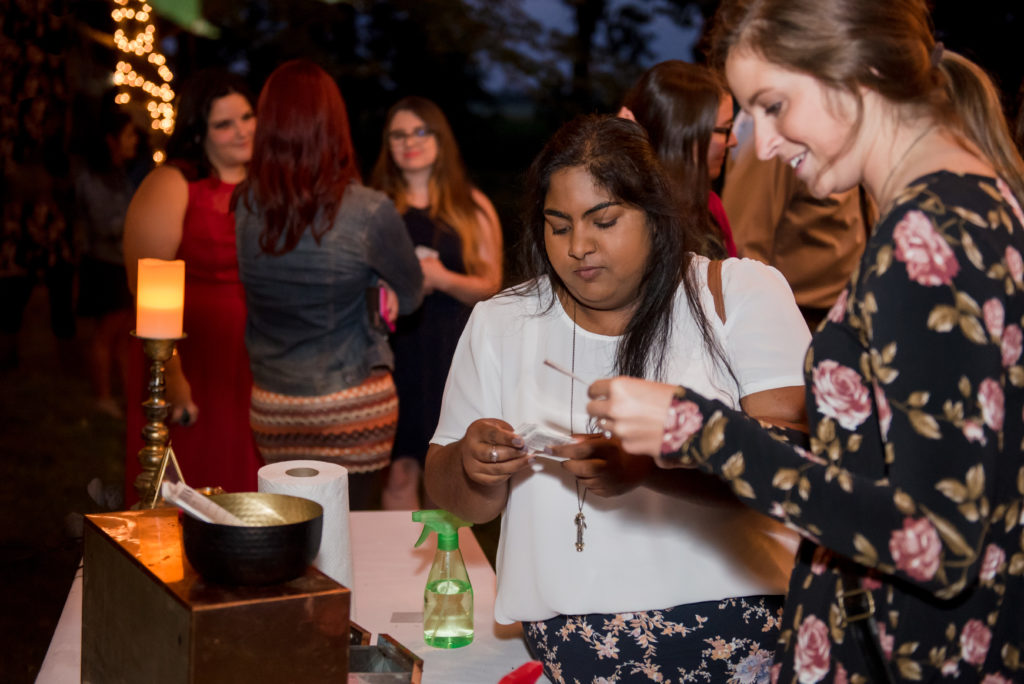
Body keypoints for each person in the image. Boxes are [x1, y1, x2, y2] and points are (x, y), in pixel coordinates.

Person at [587, 1, 1024, 681]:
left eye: (774, 105)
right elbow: (889, 459)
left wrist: (703, 432)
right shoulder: (981, 198)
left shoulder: (925, 240)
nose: (761, 145)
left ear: (862, 73)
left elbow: (935, 543)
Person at [425, 114, 810, 682]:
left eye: (603, 220)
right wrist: (473, 467)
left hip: (741, 626)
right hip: (573, 641)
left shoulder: (738, 296)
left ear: (654, 217)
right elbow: (454, 502)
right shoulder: (502, 323)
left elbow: (799, 471)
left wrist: (654, 466)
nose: (579, 247)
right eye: (558, 227)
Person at [235, 60, 423, 511]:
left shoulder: (243, 205)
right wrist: (378, 284)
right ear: (332, 125)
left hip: (275, 405)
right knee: (349, 538)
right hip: (352, 404)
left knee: (290, 535)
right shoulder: (369, 210)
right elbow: (412, 293)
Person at [122, 69, 261, 503]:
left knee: (252, 480)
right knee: (193, 479)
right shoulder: (172, 184)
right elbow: (145, 283)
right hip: (192, 356)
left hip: (259, 360)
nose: (242, 131)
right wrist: (174, 374)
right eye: (224, 124)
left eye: (247, 116)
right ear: (198, 133)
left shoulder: (268, 185)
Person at [369, 96, 503, 509]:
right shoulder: (375, 206)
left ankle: (444, 569)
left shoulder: (471, 205)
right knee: (400, 469)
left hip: (451, 350)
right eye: (399, 134)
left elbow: (492, 285)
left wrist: (441, 278)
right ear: (388, 145)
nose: (410, 142)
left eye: (420, 132)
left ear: (440, 139)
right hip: (395, 351)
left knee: (447, 467)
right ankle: (402, 571)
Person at [722, 128, 870, 329]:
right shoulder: (779, 143)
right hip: (797, 318)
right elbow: (745, 242)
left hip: (847, 312)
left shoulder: (844, 136)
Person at [620, 60, 738, 258]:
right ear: (681, 136)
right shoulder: (624, 214)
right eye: (725, 130)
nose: (733, 141)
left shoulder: (710, 207)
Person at [72, 110, 143, 418]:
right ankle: (102, 396)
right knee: (107, 331)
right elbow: (103, 224)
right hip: (104, 264)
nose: (134, 141)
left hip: (120, 263)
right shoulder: (93, 179)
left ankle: (127, 397)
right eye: (128, 134)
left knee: (124, 332)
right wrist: (138, 219)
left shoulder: (120, 175)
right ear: (111, 140)